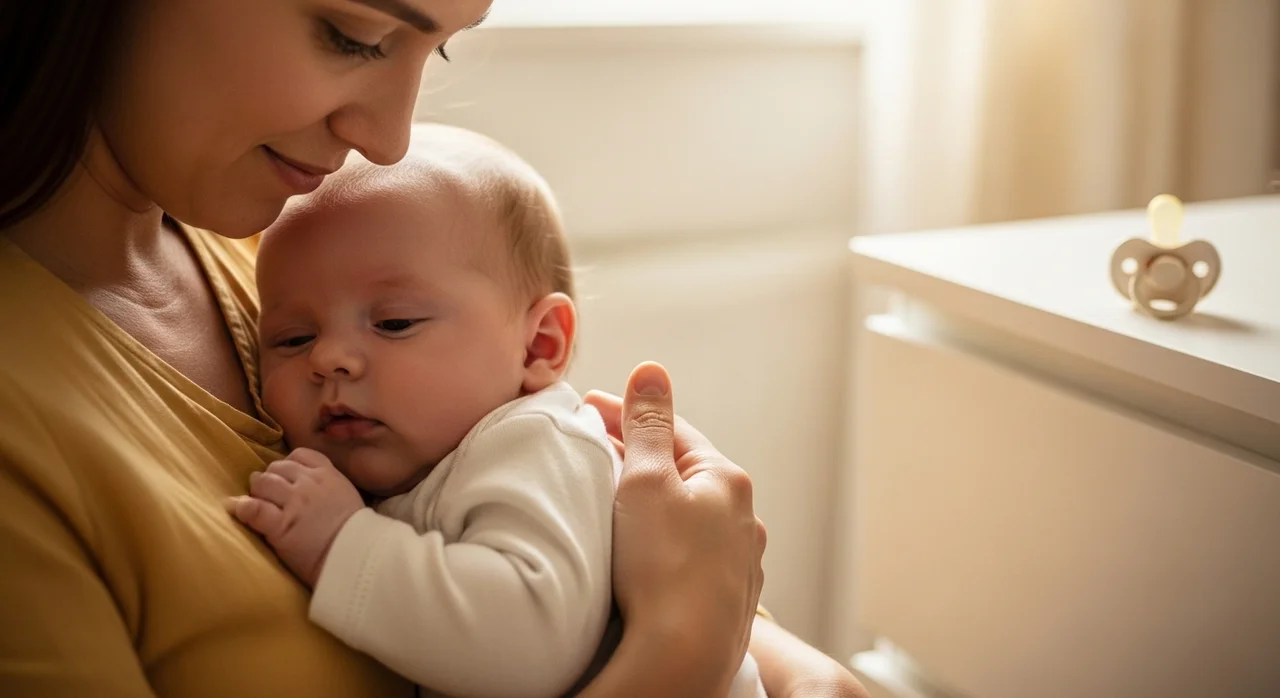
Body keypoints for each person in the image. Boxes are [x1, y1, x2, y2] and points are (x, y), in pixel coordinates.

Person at [0, 1, 869, 697]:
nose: (386, 141)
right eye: (355, 35)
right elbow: (681, 612)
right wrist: (678, 655)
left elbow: (661, 591)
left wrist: (772, 657)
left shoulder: (283, 253)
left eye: (438, 51)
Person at [226, 123, 768, 698]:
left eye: (394, 323)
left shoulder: (534, 441)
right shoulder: (428, 461)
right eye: (291, 338)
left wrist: (340, 543)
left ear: (539, 347)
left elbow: (530, 645)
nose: (329, 358)